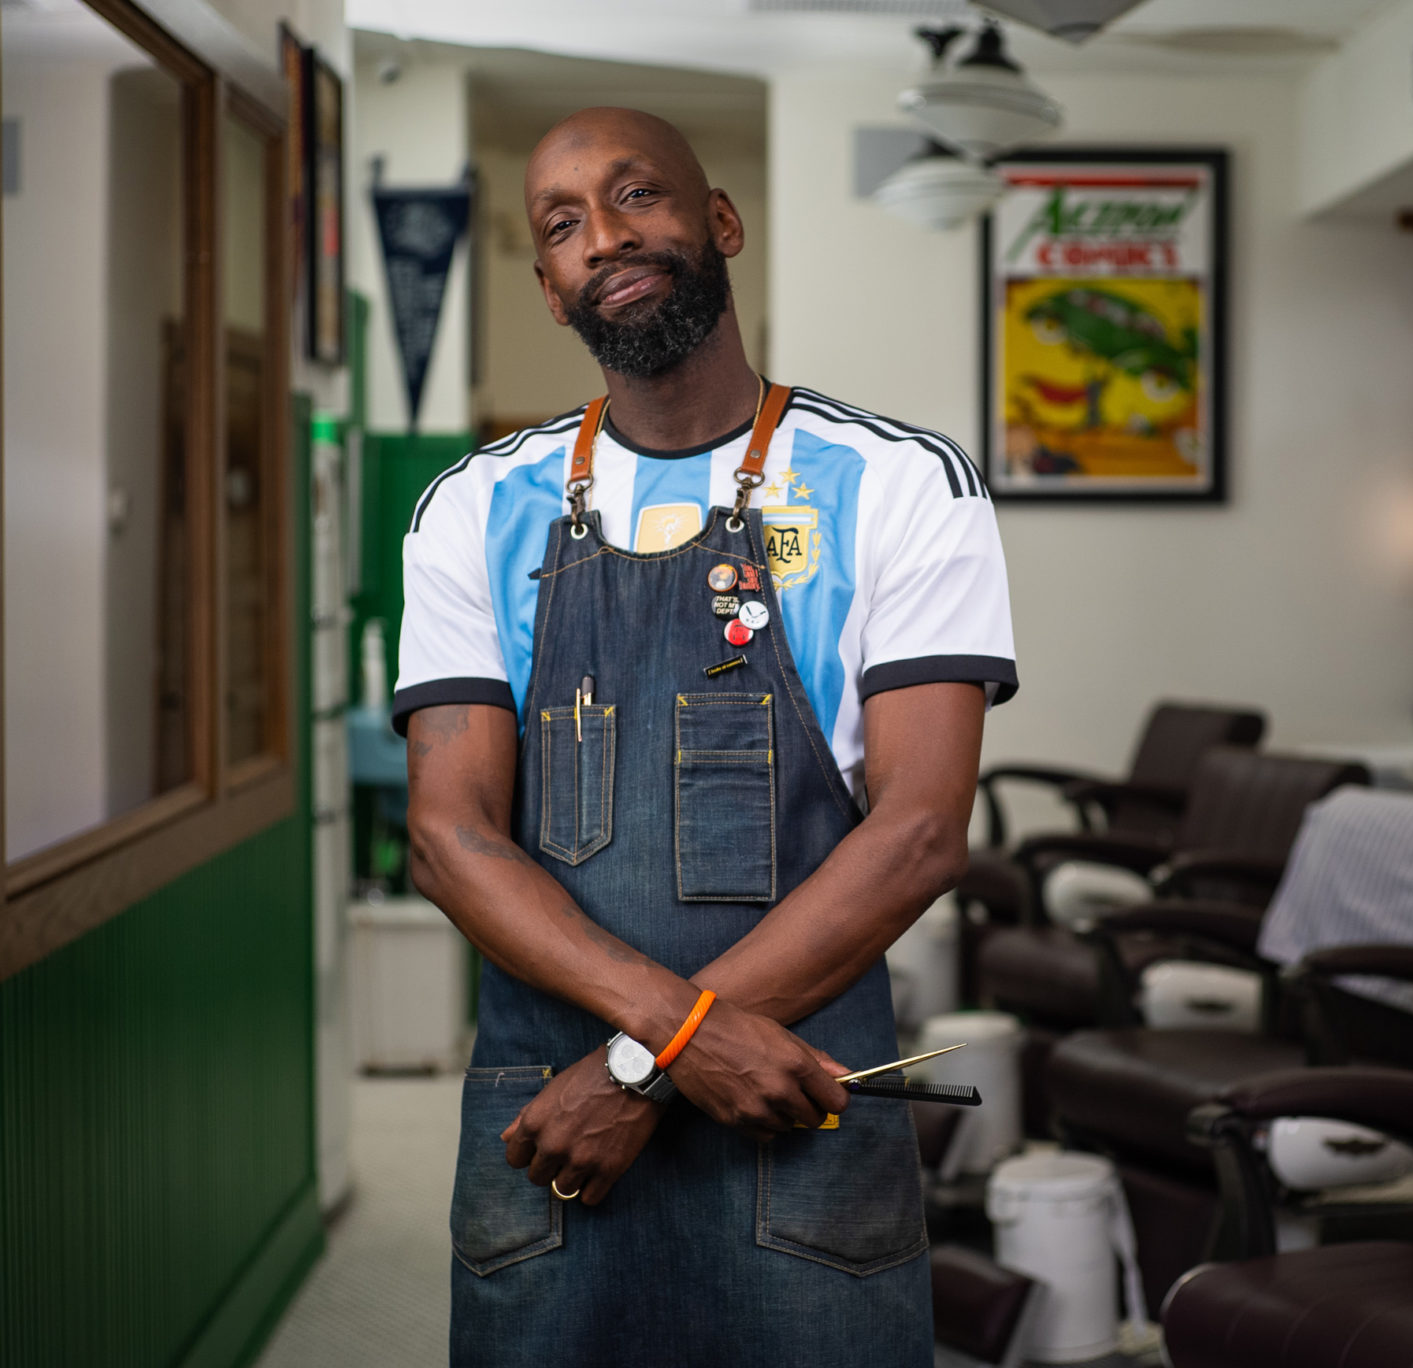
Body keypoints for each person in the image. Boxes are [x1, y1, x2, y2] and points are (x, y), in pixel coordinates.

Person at [392, 107, 1018, 1367]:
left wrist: (631, 1070)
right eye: (563, 225)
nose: (605, 237)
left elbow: (917, 833)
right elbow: (450, 836)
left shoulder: (897, 483)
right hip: (550, 1127)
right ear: (551, 290)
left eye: (638, 197)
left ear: (718, 222)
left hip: (790, 1116)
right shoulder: (473, 508)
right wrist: (676, 1042)